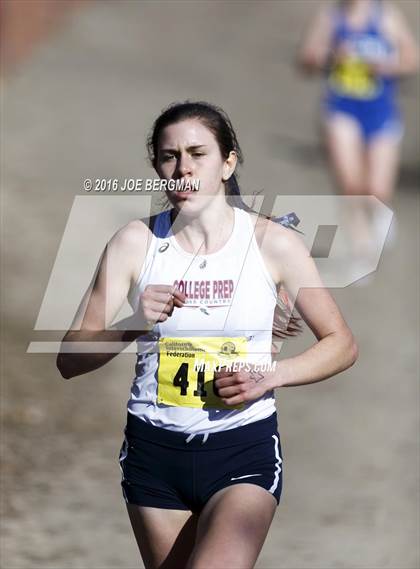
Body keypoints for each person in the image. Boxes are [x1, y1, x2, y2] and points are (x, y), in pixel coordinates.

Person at [57, 101, 358, 569]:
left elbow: (341, 343)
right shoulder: (134, 243)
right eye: (169, 156)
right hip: (154, 451)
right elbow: (69, 359)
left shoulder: (273, 244)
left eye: (198, 154)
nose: (183, 169)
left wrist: (268, 377)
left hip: (242, 448)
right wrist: (131, 323)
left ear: (228, 163)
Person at [299, 0, 418, 256]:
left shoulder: (386, 16)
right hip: (342, 109)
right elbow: (306, 59)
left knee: (378, 190)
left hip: (380, 112)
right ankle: (360, 253)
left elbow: (412, 59)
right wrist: (331, 55)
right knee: (351, 186)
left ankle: (378, 216)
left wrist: (386, 64)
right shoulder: (332, 17)